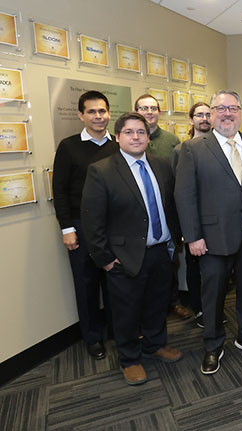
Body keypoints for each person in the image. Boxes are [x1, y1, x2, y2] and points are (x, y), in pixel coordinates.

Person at [81, 112, 183, 385]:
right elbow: (92, 219)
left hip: (161, 251)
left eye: (141, 132)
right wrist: (105, 260)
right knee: (126, 311)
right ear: (117, 137)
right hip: (123, 257)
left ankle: (155, 344)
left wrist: (177, 241)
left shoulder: (161, 166)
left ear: (149, 138)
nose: (136, 137)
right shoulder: (101, 170)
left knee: (157, 304)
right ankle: (129, 358)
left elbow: (170, 207)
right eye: (129, 132)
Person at [175, 90, 242, 375]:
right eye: (220, 108)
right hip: (212, 238)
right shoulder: (193, 148)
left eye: (232, 108)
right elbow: (185, 195)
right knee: (213, 294)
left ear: (240, 112)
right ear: (212, 114)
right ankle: (213, 345)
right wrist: (192, 237)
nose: (227, 113)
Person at [52, 90, 118, 360]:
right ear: (81, 115)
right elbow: (60, 190)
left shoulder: (119, 144)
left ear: (109, 114)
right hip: (81, 227)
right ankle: (93, 338)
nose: (98, 116)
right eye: (91, 111)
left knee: (116, 282)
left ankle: (118, 330)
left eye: (102, 111)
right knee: (87, 282)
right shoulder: (68, 147)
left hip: (115, 227)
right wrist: (67, 228)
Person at [134, 94, 190, 320]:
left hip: (165, 211)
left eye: (153, 108)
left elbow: (178, 176)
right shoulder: (129, 141)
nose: (149, 112)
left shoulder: (171, 140)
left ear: (159, 112)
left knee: (169, 261)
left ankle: (173, 302)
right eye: (143, 108)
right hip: (138, 214)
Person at [172, 102, 212, 328]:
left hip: (214, 222)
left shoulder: (219, 147)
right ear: (191, 119)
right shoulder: (181, 150)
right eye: (199, 115)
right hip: (193, 223)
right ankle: (198, 309)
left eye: (208, 114)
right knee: (195, 267)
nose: (204, 118)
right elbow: (179, 192)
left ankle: (212, 309)